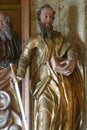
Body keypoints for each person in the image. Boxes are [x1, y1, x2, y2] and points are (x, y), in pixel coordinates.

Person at [17, 4, 85, 130]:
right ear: (39, 18)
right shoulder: (34, 39)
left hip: (61, 84)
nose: (48, 20)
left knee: (63, 117)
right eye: (45, 17)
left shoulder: (58, 37)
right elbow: (24, 58)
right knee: (44, 118)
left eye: (51, 17)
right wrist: (19, 74)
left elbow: (70, 48)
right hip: (43, 84)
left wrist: (71, 60)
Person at [0, 11, 22, 128]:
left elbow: (21, 53)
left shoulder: (16, 37)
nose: (1, 24)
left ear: (8, 22)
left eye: (3, 21)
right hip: (1, 70)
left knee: (15, 98)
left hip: (12, 70)